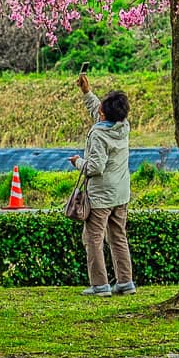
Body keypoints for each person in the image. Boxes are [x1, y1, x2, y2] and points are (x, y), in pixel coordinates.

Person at [69, 71, 134, 297]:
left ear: (104, 113)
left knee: (93, 239)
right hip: (121, 193)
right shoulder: (122, 126)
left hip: (101, 196)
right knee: (118, 236)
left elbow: (95, 167)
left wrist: (78, 162)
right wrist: (87, 93)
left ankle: (100, 285)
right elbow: (99, 112)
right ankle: (125, 282)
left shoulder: (99, 135)